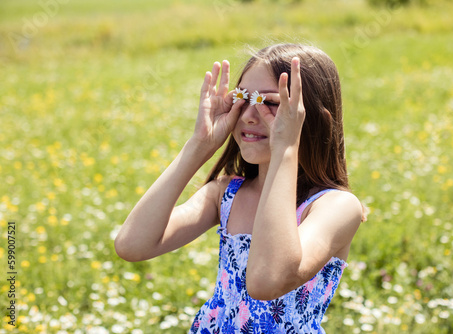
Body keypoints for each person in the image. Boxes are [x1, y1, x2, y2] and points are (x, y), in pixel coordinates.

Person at [114, 43, 365, 333]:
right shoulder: (226, 194)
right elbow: (132, 244)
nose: (248, 114)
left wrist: (285, 149)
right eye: (244, 98)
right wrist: (199, 145)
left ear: (314, 119)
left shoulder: (336, 207)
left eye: (270, 103)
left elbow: (267, 280)